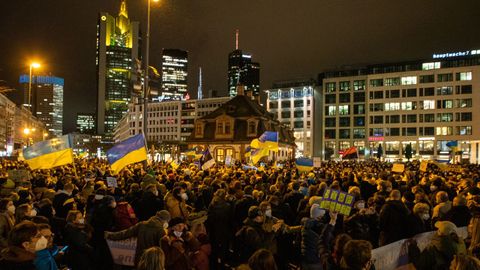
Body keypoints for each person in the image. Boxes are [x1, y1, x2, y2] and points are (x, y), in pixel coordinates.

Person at [105, 210, 171, 266]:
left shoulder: (141, 224)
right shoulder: (161, 231)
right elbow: (163, 248)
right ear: (164, 221)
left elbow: (125, 233)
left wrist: (109, 235)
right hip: (152, 260)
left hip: (139, 258)